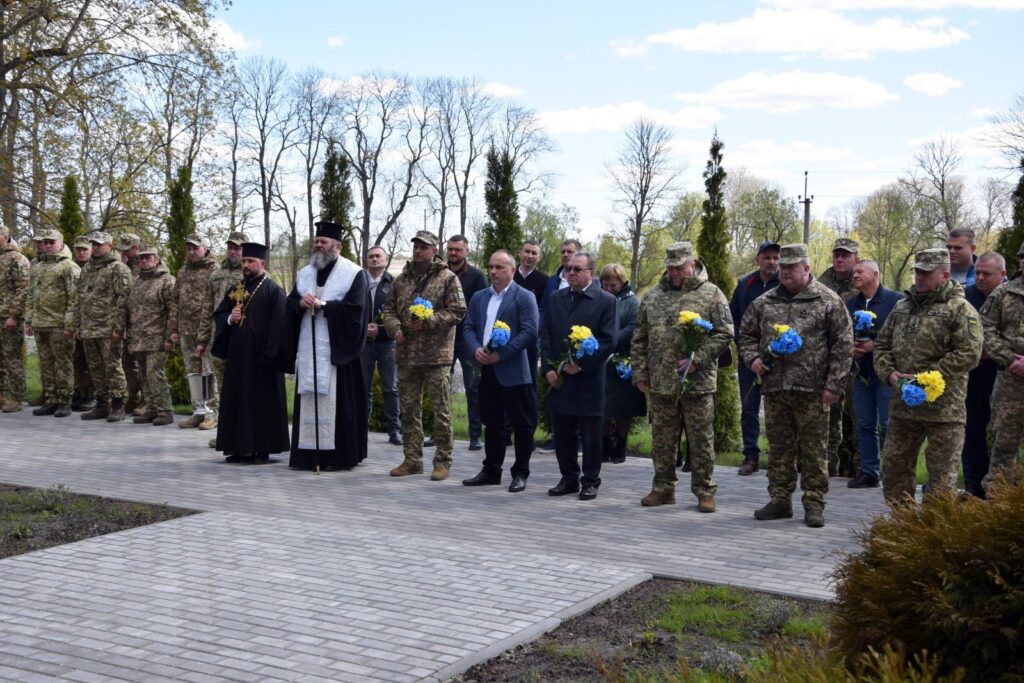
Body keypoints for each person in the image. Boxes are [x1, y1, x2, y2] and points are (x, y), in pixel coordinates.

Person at [738, 243, 853, 528]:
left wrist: (834, 385)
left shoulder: (828, 301)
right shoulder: (765, 302)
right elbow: (746, 334)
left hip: (813, 390)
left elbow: (843, 344)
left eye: (792, 267)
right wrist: (753, 359)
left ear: (807, 268)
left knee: (814, 450)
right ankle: (779, 500)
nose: (785, 272)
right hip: (776, 388)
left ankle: (814, 502)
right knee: (779, 448)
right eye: (783, 267)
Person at [874, 248, 982, 505]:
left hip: (944, 411)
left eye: (926, 272)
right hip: (904, 409)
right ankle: (902, 530)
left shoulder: (960, 309)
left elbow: (970, 353)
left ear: (944, 274)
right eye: (917, 272)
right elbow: (881, 346)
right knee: (894, 472)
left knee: (941, 480)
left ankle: (932, 536)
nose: (919, 277)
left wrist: (929, 377)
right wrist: (890, 374)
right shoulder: (902, 307)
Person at [632, 243, 732, 512]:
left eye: (680, 267)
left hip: (697, 384)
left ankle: (704, 491)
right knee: (662, 440)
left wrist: (696, 359)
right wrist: (640, 372)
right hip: (662, 383)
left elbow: (725, 333)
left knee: (701, 441)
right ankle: (663, 488)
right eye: (670, 267)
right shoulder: (653, 297)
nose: (675, 272)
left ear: (693, 264)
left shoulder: (711, 294)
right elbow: (639, 338)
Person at [382, 230, 467, 481]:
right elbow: (388, 310)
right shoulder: (401, 280)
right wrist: (395, 329)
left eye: (423, 246)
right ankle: (412, 460)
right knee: (409, 410)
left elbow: (458, 311)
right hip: (407, 354)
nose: (418, 250)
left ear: (434, 250)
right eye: (415, 246)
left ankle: (442, 461)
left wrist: (429, 321)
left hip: (436, 356)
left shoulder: (447, 278)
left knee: (441, 411)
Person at [286, 223, 370, 471]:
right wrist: (301, 303)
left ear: (337, 246)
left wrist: (323, 304)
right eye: (317, 241)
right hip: (309, 347)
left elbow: (357, 312)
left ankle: (337, 457)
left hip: (336, 352)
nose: (318, 245)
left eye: (324, 242)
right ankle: (307, 455)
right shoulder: (305, 273)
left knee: (338, 401)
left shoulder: (354, 273)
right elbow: (289, 303)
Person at [541, 251, 617, 501]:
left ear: (591, 274)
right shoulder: (555, 299)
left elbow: (608, 340)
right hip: (560, 377)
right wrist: (549, 368)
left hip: (589, 378)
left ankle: (591, 480)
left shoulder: (606, 301)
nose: (570, 273)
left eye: (577, 269)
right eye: (568, 269)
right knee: (562, 431)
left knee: (591, 433)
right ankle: (569, 478)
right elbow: (547, 335)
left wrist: (582, 365)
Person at [460, 249, 539, 491]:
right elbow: (468, 328)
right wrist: (475, 350)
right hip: (485, 370)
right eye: (491, 267)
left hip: (514, 371)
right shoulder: (479, 297)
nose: (493, 271)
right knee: (492, 423)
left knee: (522, 425)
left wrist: (501, 354)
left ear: (512, 270)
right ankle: (491, 470)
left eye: (499, 267)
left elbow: (529, 332)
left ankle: (520, 473)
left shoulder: (524, 297)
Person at [212, 242, 291, 464]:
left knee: (260, 404)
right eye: (244, 261)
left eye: (250, 261)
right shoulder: (236, 288)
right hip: (238, 357)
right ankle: (237, 448)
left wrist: (269, 355)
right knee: (238, 401)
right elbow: (220, 315)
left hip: (262, 359)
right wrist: (229, 319)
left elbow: (279, 328)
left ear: (262, 263)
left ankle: (261, 449)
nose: (245, 265)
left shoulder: (273, 290)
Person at [846, 260, 903, 489]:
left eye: (860, 271)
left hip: (886, 373)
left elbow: (901, 337)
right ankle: (870, 472)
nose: (855, 275)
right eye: (854, 272)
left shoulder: (895, 301)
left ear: (875, 274)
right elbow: (842, 332)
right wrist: (851, 348)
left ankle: (893, 471)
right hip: (862, 374)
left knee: (888, 424)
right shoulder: (851, 303)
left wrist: (875, 345)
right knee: (865, 423)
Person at [729, 241, 780, 475]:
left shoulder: (785, 283)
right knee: (749, 407)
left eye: (775, 258)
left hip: (780, 358)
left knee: (778, 410)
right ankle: (750, 455)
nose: (772, 262)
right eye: (767, 257)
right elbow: (734, 319)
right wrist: (747, 349)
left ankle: (779, 457)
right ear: (758, 259)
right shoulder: (745, 284)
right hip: (749, 358)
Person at [979, 243, 1024, 494]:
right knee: (1003, 444)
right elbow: (984, 329)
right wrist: (1009, 359)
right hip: (1011, 381)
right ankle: (999, 504)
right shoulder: (1004, 293)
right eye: (1023, 257)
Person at [197, 231, 248, 449]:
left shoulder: (249, 274)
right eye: (230, 247)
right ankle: (224, 432)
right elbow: (207, 308)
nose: (233, 251)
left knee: (239, 386)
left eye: (237, 248)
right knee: (222, 387)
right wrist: (202, 338)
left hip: (240, 338)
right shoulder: (216, 274)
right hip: (218, 336)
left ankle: (241, 432)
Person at [960, 253, 1006, 497]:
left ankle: (1002, 489)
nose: (979, 277)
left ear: (1002, 275)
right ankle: (973, 485)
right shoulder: (966, 297)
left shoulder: (1011, 298)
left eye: (986, 274)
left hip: (1005, 373)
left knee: (1002, 434)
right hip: (973, 374)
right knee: (972, 430)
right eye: (977, 272)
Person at [76, 231, 132, 422]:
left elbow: (123, 300)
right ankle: (102, 404)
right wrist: (78, 324)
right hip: (89, 327)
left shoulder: (118, 268)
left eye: (100, 244)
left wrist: (118, 327)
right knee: (95, 368)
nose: (96, 247)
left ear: (110, 245)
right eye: (94, 244)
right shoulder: (87, 268)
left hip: (108, 328)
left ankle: (118, 404)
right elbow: (80, 298)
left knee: (113, 367)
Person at [26, 229, 80, 417]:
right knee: (47, 364)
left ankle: (65, 401)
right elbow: (31, 295)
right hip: (41, 323)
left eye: (52, 242)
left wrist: (69, 324)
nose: (48, 245)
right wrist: (29, 320)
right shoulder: (39, 266)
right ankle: (51, 399)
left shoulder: (69, 267)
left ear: (60, 243)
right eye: (45, 242)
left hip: (59, 324)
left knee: (62, 364)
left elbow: (74, 298)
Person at [818, 237, 860, 478]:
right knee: (830, 414)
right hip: (827, 359)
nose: (840, 259)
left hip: (857, 363)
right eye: (837, 255)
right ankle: (828, 465)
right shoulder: (821, 285)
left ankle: (858, 466)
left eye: (846, 255)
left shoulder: (864, 282)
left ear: (856, 257)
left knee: (857, 417)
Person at [537, 238, 582, 452]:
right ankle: (557, 436)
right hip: (555, 345)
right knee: (556, 391)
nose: (565, 255)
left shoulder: (593, 282)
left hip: (579, 344)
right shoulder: (553, 282)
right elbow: (544, 309)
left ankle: (579, 438)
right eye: (563, 251)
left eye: (570, 251)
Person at [598, 263, 646, 465]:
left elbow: (634, 326)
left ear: (622, 283)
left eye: (613, 285)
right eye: (605, 285)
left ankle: (621, 446)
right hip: (602, 361)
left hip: (623, 360)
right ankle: (604, 445)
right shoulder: (600, 300)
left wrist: (613, 338)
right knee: (603, 408)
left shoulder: (632, 302)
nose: (609, 289)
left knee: (623, 410)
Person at [171, 234, 219, 430]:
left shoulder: (214, 270)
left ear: (205, 249)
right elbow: (175, 301)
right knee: (193, 373)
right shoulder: (183, 271)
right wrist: (173, 328)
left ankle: (212, 413)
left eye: (195, 248)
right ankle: (198, 412)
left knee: (208, 372)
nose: (191, 252)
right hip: (186, 330)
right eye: (188, 248)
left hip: (205, 330)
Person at [445, 234, 487, 451]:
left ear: (466, 251)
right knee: (441, 387)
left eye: (458, 250)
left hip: (468, 339)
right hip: (443, 338)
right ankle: (440, 434)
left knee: (473, 388)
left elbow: (483, 307)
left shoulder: (477, 277)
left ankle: (474, 436)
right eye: (450, 249)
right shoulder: (439, 273)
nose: (453, 253)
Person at [126, 245, 175, 426]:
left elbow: (173, 311)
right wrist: (130, 337)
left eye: (148, 258)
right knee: (144, 376)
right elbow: (131, 311)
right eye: (141, 258)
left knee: (155, 375)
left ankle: (165, 410)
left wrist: (169, 337)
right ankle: (151, 407)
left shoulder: (167, 281)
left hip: (157, 338)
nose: (144, 261)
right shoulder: (138, 282)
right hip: (139, 338)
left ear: (157, 259)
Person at [363, 245, 402, 445]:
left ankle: (394, 429)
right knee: (364, 387)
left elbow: (401, 315)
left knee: (390, 388)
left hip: (387, 344)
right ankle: (362, 428)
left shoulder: (395, 284)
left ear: (385, 260)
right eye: (371, 257)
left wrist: (381, 329)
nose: (375, 259)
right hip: (364, 344)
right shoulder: (359, 282)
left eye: (378, 256)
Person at [514, 239, 547, 428]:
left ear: (539, 257)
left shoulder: (543, 280)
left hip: (531, 342)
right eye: (527, 251)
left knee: (530, 384)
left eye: (534, 253)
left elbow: (543, 311)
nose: (530, 256)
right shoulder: (509, 275)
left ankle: (529, 427)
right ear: (520, 253)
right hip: (506, 340)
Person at [0, 225, 30, 413]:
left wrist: (14, 315)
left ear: (4, 236)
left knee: (12, 358)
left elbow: (23, 289)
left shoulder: (17, 259)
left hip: (8, 317)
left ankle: (17, 397)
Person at [115, 233, 144, 414]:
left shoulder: (147, 262)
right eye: (123, 249)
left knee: (143, 363)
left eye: (128, 249)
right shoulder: (122, 265)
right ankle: (133, 398)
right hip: (125, 320)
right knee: (127, 363)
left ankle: (146, 400)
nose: (125, 252)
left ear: (136, 248)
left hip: (142, 323)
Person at [70, 236, 96, 412]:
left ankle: (94, 396)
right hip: (77, 321)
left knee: (92, 362)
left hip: (95, 322)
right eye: (78, 249)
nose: (81, 252)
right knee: (78, 360)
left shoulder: (94, 268)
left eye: (84, 249)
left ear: (91, 250)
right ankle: (82, 393)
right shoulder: (72, 267)